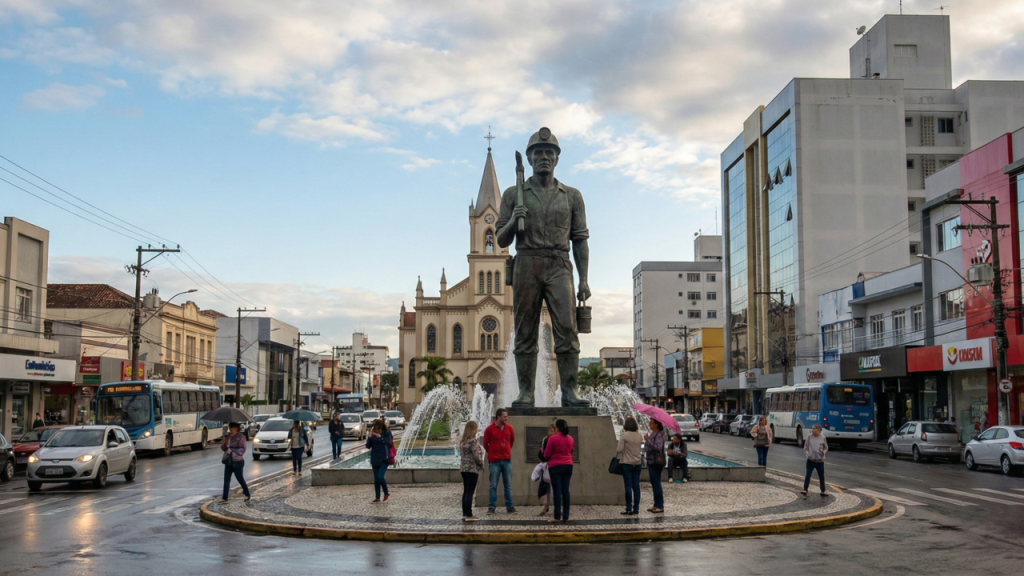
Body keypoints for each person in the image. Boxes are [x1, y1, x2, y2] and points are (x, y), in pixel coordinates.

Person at [483, 408, 516, 514]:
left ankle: (509, 506)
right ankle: (491, 507)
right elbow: (485, 444)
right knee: (493, 485)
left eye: (507, 416)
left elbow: (512, 441)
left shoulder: (509, 428)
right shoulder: (489, 429)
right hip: (494, 461)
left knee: (508, 485)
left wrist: (506, 451)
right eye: (504, 416)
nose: (507, 418)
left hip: (507, 460)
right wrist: (492, 453)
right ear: (498, 417)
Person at [543, 419, 575, 523]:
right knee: (565, 491)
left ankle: (557, 516)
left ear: (557, 428)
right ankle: (565, 516)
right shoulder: (570, 438)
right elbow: (571, 451)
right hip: (568, 465)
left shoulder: (552, 438)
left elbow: (547, 455)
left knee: (557, 491)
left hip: (556, 466)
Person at [617, 416, 643, 515]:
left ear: (626, 425)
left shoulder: (624, 435)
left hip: (627, 463)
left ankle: (628, 508)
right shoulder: (639, 435)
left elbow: (619, 450)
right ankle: (636, 508)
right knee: (636, 486)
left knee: (628, 485)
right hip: (637, 463)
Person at [459, 421, 484, 522]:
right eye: (476, 428)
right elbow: (476, 456)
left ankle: (465, 513)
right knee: (470, 492)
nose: (477, 430)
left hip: (464, 469)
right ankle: (469, 515)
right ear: (473, 429)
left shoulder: (463, 441)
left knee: (466, 492)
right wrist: (482, 464)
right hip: (472, 469)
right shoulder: (473, 441)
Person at [220, 422, 251, 502]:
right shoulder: (227, 436)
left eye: (232, 427)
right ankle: (225, 497)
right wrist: (223, 444)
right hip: (228, 461)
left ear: (236, 428)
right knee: (226, 479)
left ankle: (247, 494)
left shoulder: (240, 437)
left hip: (237, 462)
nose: (230, 429)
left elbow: (243, 449)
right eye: (230, 427)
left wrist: (232, 451)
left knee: (240, 478)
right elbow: (224, 449)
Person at [645, 419, 667, 513]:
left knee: (657, 483)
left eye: (651, 423)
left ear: (656, 424)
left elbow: (658, 448)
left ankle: (660, 505)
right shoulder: (654, 433)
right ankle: (656, 504)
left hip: (656, 462)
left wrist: (648, 440)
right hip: (651, 461)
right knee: (653, 483)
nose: (649, 424)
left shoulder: (659, 434)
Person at [366, 420, 391, 502]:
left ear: (381, 429)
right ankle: (377, 497)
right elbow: (368, 446)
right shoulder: (372, 433)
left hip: (384, 459)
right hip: (375, 459)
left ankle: (386, 493)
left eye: (377, 430)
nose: (376, 431)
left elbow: (389, 444)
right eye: (375, 429)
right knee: (376, 479)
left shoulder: (387, 433)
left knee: (380, 477)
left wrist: (379, 436)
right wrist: (369, 438)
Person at [535, 423, 556, 515]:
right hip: (546, 465)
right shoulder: (545, 440)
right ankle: (545, 506)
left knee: (556, 488)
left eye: (553, 429)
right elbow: (541, 452)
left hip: (555, 465)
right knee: (545, 486)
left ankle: (557, 507)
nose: (551, 431)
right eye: (549, 429)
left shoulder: (557, 440)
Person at [802, 424, 828, 497]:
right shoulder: (809, 437)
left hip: (820, 460)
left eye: (814, 428)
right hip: (811, 460)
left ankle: (823, 491)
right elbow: (805, 447)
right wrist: (808, 454)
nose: (812, 430)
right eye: (812, 428)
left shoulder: (823, 438)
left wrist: (824, 452)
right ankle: (805, 489)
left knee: (821, 476)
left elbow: (826, 447)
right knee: (808, 474)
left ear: (818, 430)